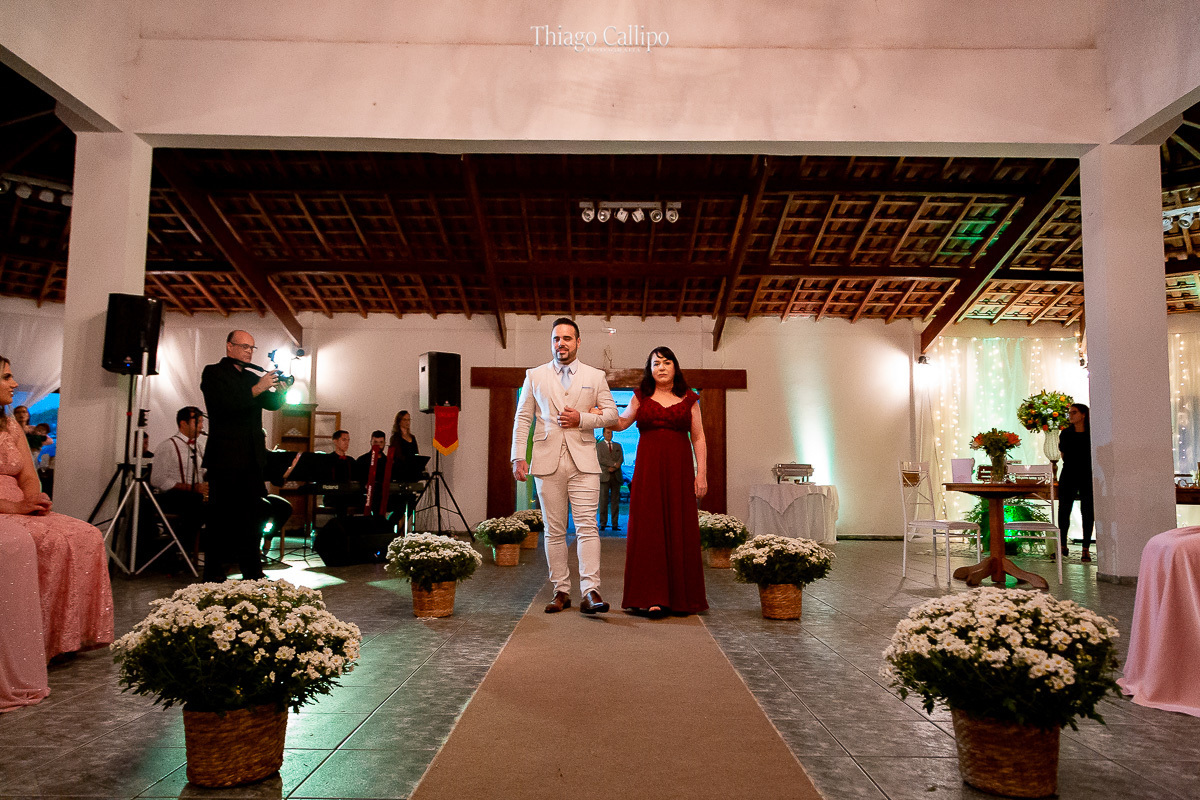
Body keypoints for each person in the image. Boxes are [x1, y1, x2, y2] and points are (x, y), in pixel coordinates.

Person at [0, 356, 114, 667]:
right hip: (4, 509)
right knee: (49, 542)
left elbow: (28, 474)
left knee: (87, 535)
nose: (14, 384)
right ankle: (34, 642)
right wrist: (16, 507)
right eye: (7, 377)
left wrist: (34, 498)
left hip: (20, 505)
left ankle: (68, 637)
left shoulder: (9, 424)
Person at [511, 317, 618, 614]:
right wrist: (518, 456)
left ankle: (591, 591)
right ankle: (560, 590)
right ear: (552, 342)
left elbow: (611, 415)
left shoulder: (595, 375)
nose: (561, 343)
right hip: (546, 461)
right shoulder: (535, 375)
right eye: (556, 339)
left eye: (567, 338)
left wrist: (582, 419)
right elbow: (523, 419)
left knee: (587, 527)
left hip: (584, 461)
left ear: (578, 342)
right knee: (554, 530)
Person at [614, 346, 708, 617]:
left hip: (679, 472)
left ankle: (679, 598)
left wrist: (701, 473)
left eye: (667, 362)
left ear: (675, 367)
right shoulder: (640, 396)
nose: (662, 367)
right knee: (649, 529)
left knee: (680, 527)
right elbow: (621, 423)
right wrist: (598, 415)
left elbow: (699, 437)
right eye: (656, 363)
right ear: (650, 369)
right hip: (648, 473)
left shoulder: (689, 398)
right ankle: (651, 597)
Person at [200, 330, 286, 581]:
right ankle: (213, 576)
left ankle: (253, 573)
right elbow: (225, 406)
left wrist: (281, 390)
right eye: (244, 346)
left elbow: (271, 404)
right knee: (220, 519)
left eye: (252, 348)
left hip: (251, 460)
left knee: (254, 517)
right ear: (229, 346)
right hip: (225, 459)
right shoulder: (214, 373)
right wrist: (259, 388)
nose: (249, 352)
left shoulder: (250, 376)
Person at [151, 406, 208, 556]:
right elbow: (157, 479)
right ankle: (181, 550)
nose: (201, 426)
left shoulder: (200, 447)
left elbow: (204, 472)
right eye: (197, 422)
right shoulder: (167, 446)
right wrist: (190, 487)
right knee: (196, 503)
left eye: (202, 422)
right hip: (172, 497)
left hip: (194, 497)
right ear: (183, 423)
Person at [1057, 402, 1094, 562]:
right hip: (1069, 473)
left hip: (1087, 474)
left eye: (1074, 412)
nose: (1070, 415)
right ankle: (1062, 545)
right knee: (1064, 509)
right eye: (1070, 413)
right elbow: (1063, 454)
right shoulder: (1066, 433)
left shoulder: (1091, 433)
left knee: (1088, 510)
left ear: (1083, 415)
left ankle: (1086, 548)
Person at [596, 428, 625, 531]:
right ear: (603, 434)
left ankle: (615, 524)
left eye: (611, 433)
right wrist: (613, 464)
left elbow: (621, 458)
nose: (610, 435)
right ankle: (603, 523)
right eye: (608, 433)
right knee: (603, 501)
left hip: (616, 476)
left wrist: (616, 467)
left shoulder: (618, 446)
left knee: (615, 501)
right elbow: (600, 459)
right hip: (605, 476)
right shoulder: (599, 446)